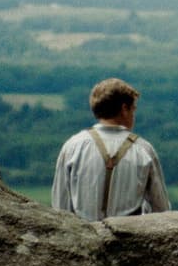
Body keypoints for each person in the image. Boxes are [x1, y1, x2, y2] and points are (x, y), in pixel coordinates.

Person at [52, 77, 170, 221]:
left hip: (83, 238)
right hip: (130, 239)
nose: (134, 115)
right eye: (133, 109)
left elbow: (60, 206)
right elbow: (161, 210)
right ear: (124, 109)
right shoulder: (143, 150)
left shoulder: (73, 146)